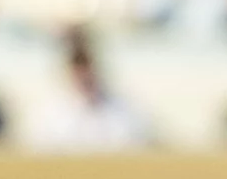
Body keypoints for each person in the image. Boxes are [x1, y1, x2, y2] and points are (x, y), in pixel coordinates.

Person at [23, 26, 153, 153]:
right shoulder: (49, 115)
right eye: (78, 67)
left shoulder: (124, 111)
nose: (84, 74)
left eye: (87, 65)